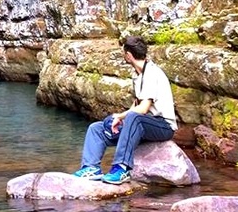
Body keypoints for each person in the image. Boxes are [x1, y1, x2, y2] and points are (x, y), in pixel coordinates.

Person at [72, 35, 177, 184]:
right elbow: (136, 106)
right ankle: (91, 168)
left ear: (128, 55)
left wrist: (120, 117)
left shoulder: (152, 73)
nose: (123, 55)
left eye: (123, 52)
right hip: (143, 124)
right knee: (97, 128)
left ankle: (122, 168)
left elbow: (143, 109)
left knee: (133, 118)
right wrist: (117, 119)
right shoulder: (137, 75)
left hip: (163, 126)